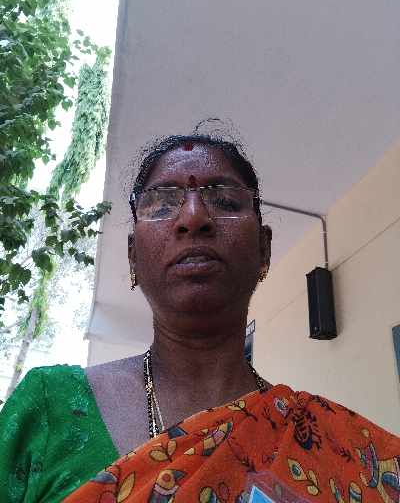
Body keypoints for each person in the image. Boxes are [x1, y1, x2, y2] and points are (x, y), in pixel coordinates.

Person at [1, 126, 399, 503]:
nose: (193, 217)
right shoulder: (48, 410)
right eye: (162, 204)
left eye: (224, 201)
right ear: (133, 257)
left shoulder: (333, 447)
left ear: (264, 249)